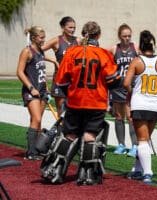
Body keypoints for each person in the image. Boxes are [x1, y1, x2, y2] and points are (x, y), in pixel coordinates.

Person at [40, 21, 119, 185]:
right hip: (96, 102)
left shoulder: (71, 52)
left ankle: (54, 170)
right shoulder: (104, 54)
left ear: (83, 35)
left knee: (69, 136)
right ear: (98, 35)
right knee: (90, 137)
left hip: (75, 101)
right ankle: (87, 176)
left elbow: (61, 82)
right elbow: (114, 80)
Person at [124, 30, 157, 183]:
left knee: (142, 140)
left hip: (139, 103)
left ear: (140, 45)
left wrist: (131, 92)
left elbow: (126, 83)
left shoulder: (136, 61)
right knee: (145, 140)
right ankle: (137, 169)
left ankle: (147, 172)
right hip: (154, 104)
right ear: (153, 46)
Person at [16, 26, 58, 160]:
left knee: (37, 121)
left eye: (44, 37)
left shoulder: (40, 51)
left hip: (41, 90)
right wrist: (30, 87)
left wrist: (46, 88)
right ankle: (31, 152)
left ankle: (37, 149)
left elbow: (41, 71)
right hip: (31, 90)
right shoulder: (26, 51)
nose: (43, 40)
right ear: (33, 38)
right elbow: (19, 72)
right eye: (41, 37)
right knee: (37, 119)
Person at [108, 23, 139, 157]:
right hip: (117, 87)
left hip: (131, 88)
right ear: (120, 36)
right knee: (119, 117)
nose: (127, 38)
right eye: (124, 36)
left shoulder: (136, 47)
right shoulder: (114, 49)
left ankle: (135, 145)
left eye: (129, 36)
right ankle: (121, 144)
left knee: (130, 117)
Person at [42, 16, 81, 116]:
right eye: (70, 27)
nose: (72, 30)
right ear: (63, 27)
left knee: (75, 112)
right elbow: (36, 51)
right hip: (60, 80)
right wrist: (53, 61)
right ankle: (61, 131)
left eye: (74, 28)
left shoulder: (78, 41)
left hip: (74, 81)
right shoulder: (56, 41)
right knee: (62, 113)